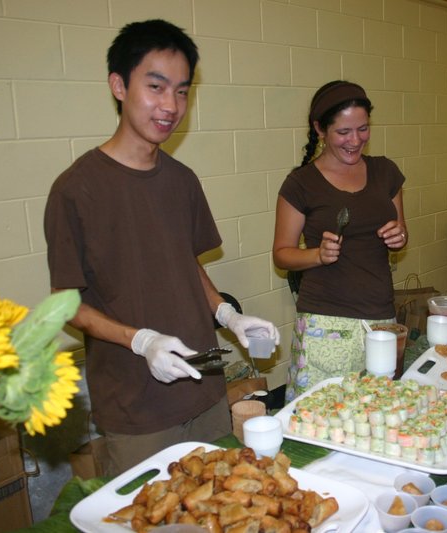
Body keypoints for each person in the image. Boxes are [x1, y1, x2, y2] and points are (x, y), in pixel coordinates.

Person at [44, 19, 279, 476]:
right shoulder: (76, 189)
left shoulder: (181, 180)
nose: (170, 106)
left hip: (205, 392)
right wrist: (142, 340)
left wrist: (226, 315)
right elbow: (65, 305)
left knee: (219, 510)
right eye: (155, 86)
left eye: (182, 91)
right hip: (136, 410)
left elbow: (184, 263)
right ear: (118, 85)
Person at [273, 81, 407, 402]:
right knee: (320, 418)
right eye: (344, 132)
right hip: (325, 322)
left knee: (374, 415)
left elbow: (401, 232)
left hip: (380, 318)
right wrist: (317, 255)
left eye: (363, 129)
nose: (356, 140)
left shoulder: (385, 172)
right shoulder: (301, 183)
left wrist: (398, 237)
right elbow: (282, 254)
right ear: (320, 129)